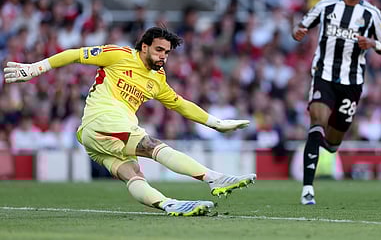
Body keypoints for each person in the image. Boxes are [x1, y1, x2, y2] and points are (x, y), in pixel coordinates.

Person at [3, 26, 256, 216]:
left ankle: (167, 204)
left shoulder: (157, 79)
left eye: (167, 53)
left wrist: (215, 122)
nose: (163, 57)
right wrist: (35, 68)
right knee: (152, 145)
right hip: (103, 119)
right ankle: (214, 178)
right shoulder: (119, 54)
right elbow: (74, 54)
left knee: (133, 173)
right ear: (144, 46)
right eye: (159, 50)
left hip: (94, 137)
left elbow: (180, 104)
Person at [292, 0, 381, 205]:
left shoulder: (372, 14)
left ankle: (323, 146)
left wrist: (373, 43)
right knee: (317, 122)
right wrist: (298, 32)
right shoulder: (325, 6)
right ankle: (307, 188)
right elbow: (301, 25)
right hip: (324, 76)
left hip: (352, 83)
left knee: (334, 144)